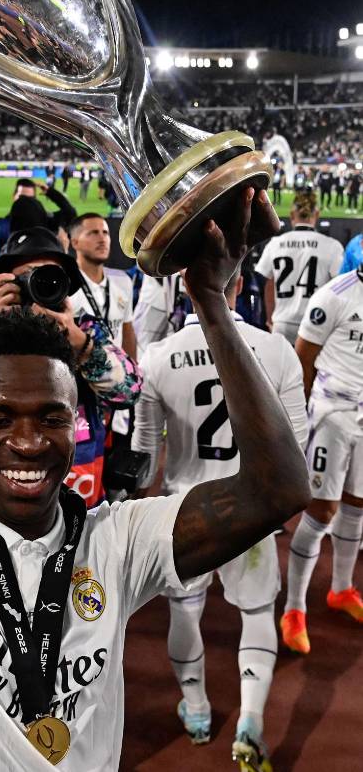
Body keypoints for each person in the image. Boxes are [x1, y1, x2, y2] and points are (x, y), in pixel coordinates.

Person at [0, 0, 308, 772]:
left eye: (50, 416)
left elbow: (279, 492)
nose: (26, 438)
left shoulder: (112, 543)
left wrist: (211, 300)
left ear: (77, 416)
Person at [132, 265, 308, 772]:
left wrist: (141, 503)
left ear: (182, 288)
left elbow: (145, 453)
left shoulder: (157, 356)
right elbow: (295, 446)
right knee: (256, 614)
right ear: (238, 286)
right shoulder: (274, 350)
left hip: (185, 508)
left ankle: (197, 709)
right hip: (251, 508)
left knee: (185, 614)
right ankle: (250, 720)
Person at [0, 225, 140, 507]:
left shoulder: (85, 330)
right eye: (27, 276)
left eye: (48, 275)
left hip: (80, 503)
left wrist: (80, 345)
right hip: (0, 504)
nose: (37, 285)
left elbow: (129, 391)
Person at [281, 267, 363, 654]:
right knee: (322, 510)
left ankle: (342, 588)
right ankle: (294, 609)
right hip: (333, 417)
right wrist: (303, 428)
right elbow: (303, 361)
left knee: (357, 504)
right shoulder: (335, 294)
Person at [255, 193, 343, 345]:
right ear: (316, 214)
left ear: (291, 215)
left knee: (280, 368)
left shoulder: (276, 243)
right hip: (316, 322)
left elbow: (269, 284)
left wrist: (270, 318)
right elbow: (337, 288)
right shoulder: (332, 246)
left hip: (282, 322)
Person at [69, 213, 136, 358]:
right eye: (93, 233)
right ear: (75, 243)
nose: (102, 239)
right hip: (79, 376)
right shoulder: (66, 286)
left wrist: (134, 371)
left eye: (105, 233)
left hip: (117, 376)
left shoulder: (123, 281)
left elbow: (127, 330)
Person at [0, 177, 77, 251]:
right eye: (22, 198)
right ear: (14, 196)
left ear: (35, 200)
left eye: (30, 199)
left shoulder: (45, 218)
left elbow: (70, 213)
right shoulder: (0, 229)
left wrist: (50, 192)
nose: (25, 203)